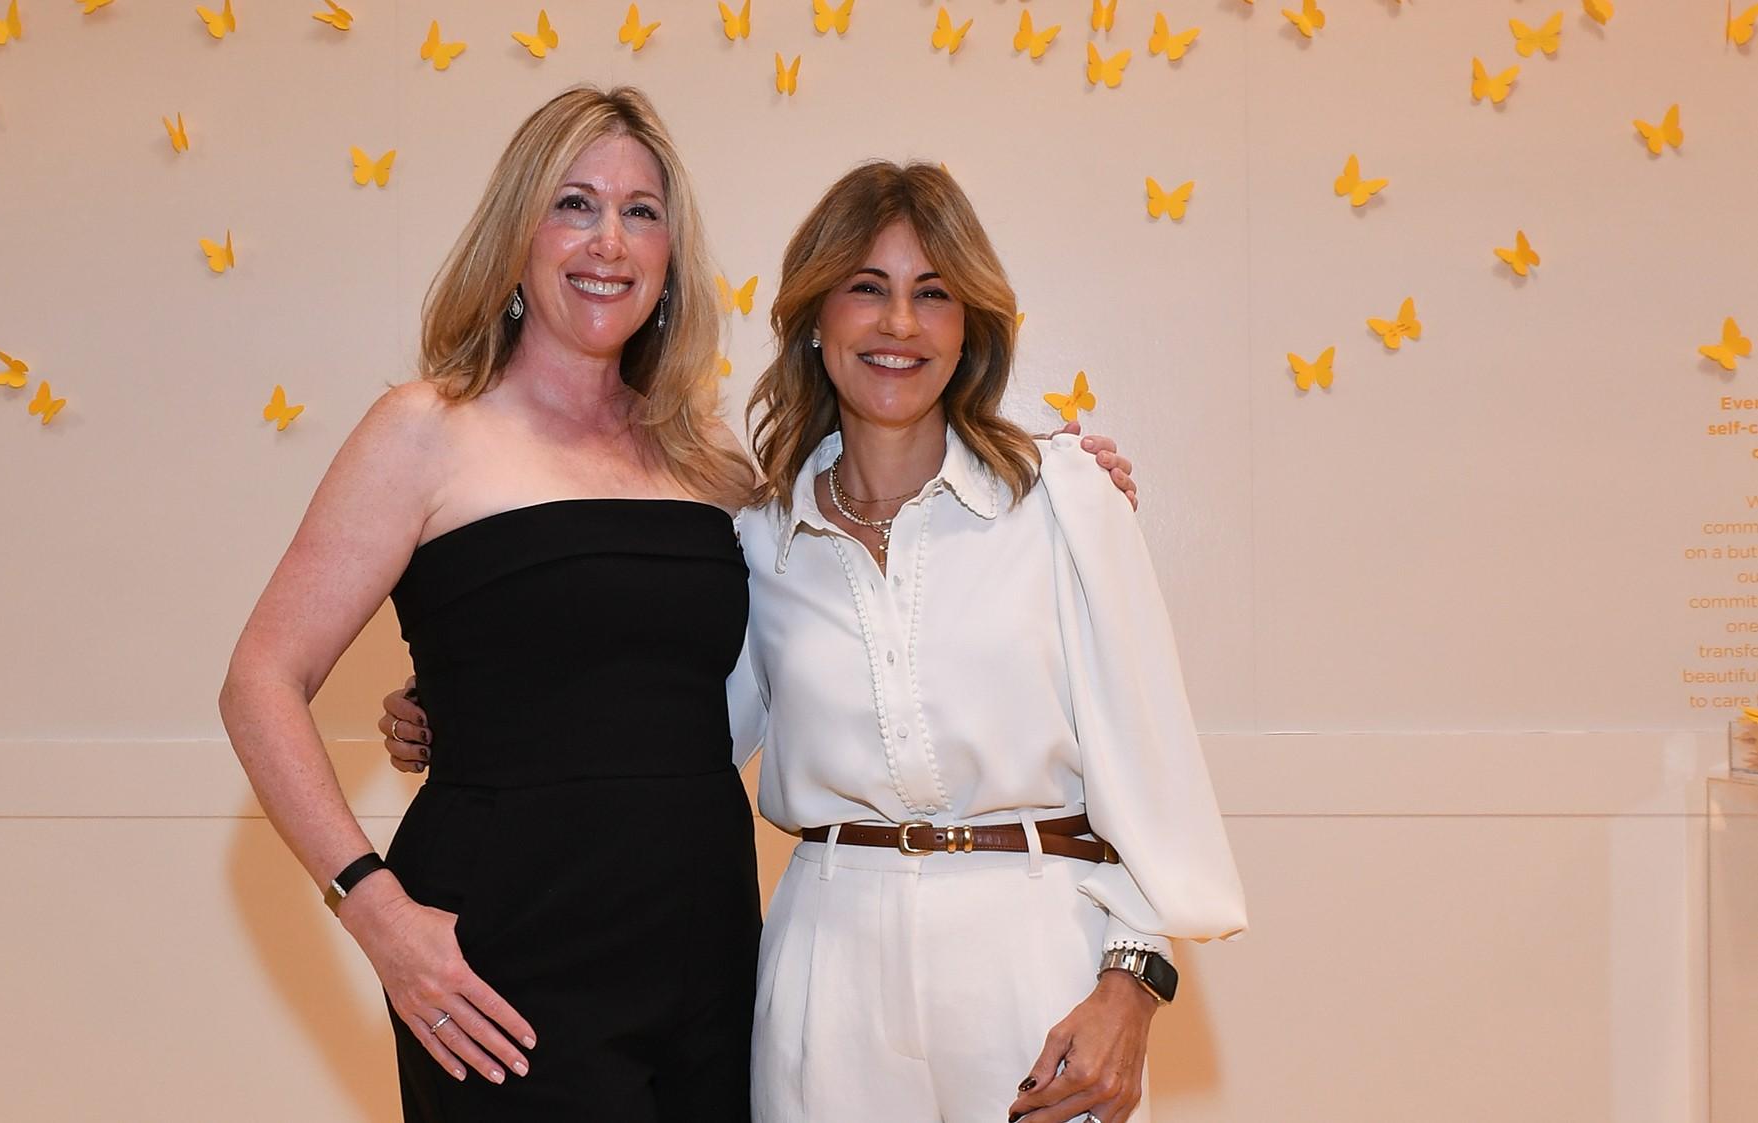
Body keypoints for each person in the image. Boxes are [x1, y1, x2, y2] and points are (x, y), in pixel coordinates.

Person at [385, 162, 1243, 1123]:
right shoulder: (755, 534)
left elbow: (1157, 777)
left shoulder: (1064, 502)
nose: (898, 325)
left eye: (933, 294)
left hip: (1035, 964)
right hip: (822, 978)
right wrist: (463, 702)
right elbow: (667, 718)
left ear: (971, 328)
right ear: (813, 318)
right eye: (865, 289)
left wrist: (1132, 984)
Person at [219, 86, 764, 1121]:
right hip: (504, 967)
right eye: (574, 204)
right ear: (516, 238)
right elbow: (260, 682)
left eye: (641, 211)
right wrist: (375, 912)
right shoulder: (424, 428)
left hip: (708, 948)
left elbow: (862, 553)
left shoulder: (706, 456)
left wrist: (1048, 483)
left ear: (670, 256)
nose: (609, 240)